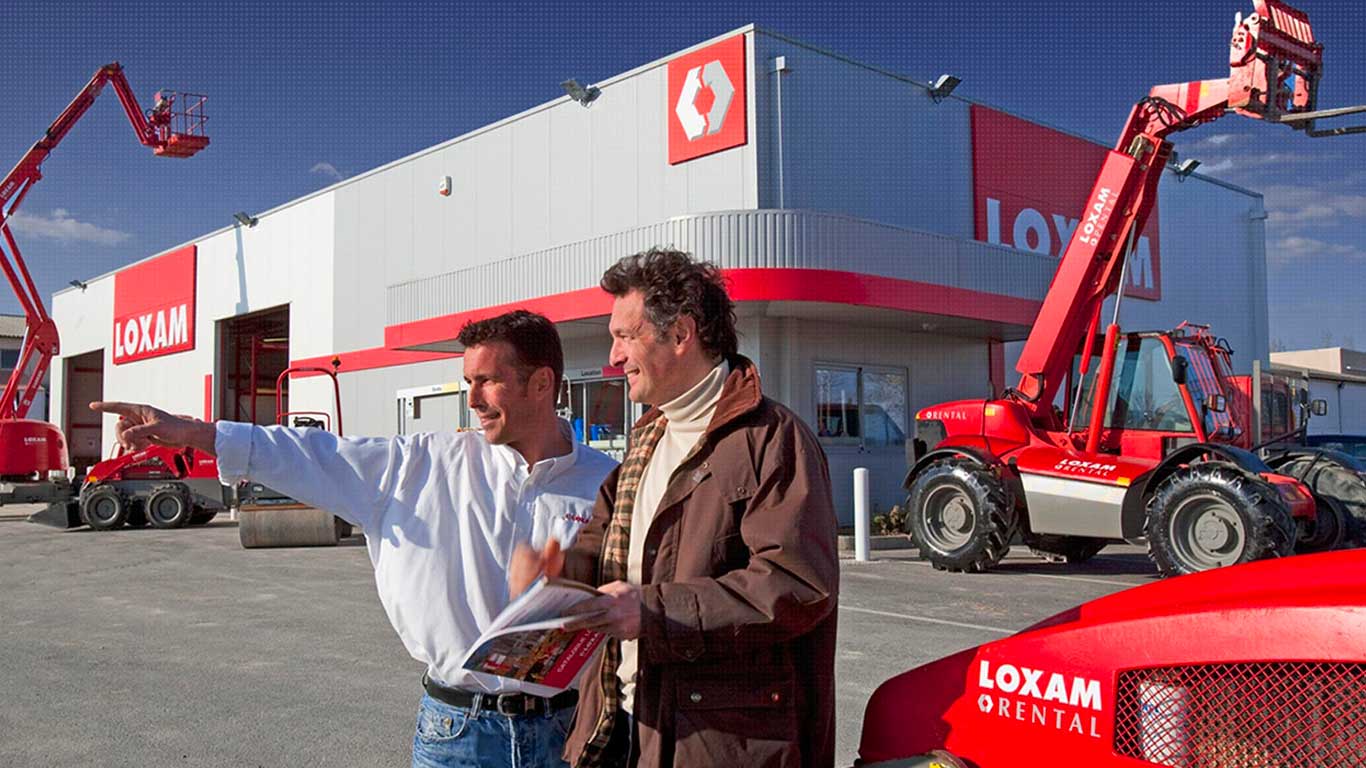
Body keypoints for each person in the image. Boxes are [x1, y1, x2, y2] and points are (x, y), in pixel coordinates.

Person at [91, 310, 619, 768]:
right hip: (459, 735)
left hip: (571, 729)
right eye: (468, 381)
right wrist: (198, 434)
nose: (473, 398)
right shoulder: (420, 467)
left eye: (488, 381)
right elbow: (310, 452)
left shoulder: (606, 482)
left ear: (541, 383)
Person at [510, 249, 840, 768]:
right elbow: (603, 550)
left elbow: (796, 585)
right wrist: (557, 574)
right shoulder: (648, 438)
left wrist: (651, 612)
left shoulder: (774, 439)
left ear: (681, 334)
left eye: (625, 336)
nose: (614, 357)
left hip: (717, 746)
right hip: (620, 725)